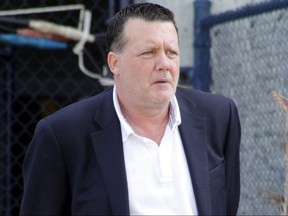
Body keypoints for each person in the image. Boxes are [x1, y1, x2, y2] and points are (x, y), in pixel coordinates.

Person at [20, 2, 241, 215]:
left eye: (171, 52)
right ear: (115, 63)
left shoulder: (219, 116)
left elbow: (226, 205)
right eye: (149, 53)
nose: (164, 64)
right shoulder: (63, 135)